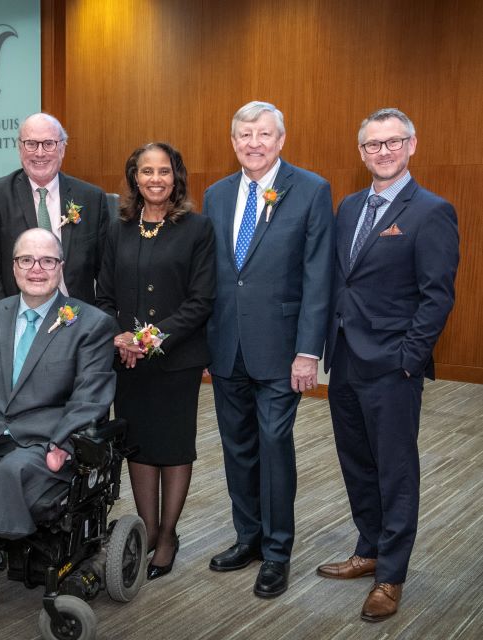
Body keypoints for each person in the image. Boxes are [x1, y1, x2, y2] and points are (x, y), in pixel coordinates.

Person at [317, 108, 459, 622]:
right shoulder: (350, 207)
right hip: (346, 361)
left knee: (395, 470)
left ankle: (391, 575)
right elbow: (342, 281)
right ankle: (369, 548)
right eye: (373, 145)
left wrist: (408, 359)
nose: (383, 151)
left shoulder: (431, 211)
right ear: (362, 152)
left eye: (393, 142)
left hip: (393, 367)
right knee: (357, 462)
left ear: (411, 145)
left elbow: (437, 297)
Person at [203, 101, 334, 598]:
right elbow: (217, 274)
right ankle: (248, 538)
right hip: (226, 347)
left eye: (263, 134)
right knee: (237, 447)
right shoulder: (215, 195)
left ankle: (277, 552)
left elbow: (319, 275)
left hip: (282, 350)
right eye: (243, 135)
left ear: (281, 139)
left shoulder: (312, 189)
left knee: (274, 446)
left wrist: (308, 351)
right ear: (233, 142)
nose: (253, 143)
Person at [0, 228, 117, 539]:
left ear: (61, 267)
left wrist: (62, 444)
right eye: (26, 260)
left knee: (15, 470)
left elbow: (90, 397)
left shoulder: (90, 324)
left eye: (47, 261)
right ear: (14, 267)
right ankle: (1, 533)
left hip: (45, 440)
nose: (36, 269)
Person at [96, 142, 216, 580]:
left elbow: (201, 299)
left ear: (176, 177)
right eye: (146, 171)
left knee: (173, 447)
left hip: (177, 360)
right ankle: (146, 530)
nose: (155, 179)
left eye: (164, 171)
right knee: (140, 446)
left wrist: (151, 336)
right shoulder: (117, 228)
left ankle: (167, 536)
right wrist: (118, 336)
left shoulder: (197, 229)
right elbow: (104, 293)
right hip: (127, 361)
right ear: (134, 178)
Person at [0, 112, 110, 306]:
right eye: (31, 144)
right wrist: (3, 321)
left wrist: (98, 321)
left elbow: (106, 274)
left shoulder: (91, 198)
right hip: (18, 315)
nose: (39, 153)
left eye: (49, 144)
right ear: (20, 148)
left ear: (62, 148)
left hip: (78, 318)